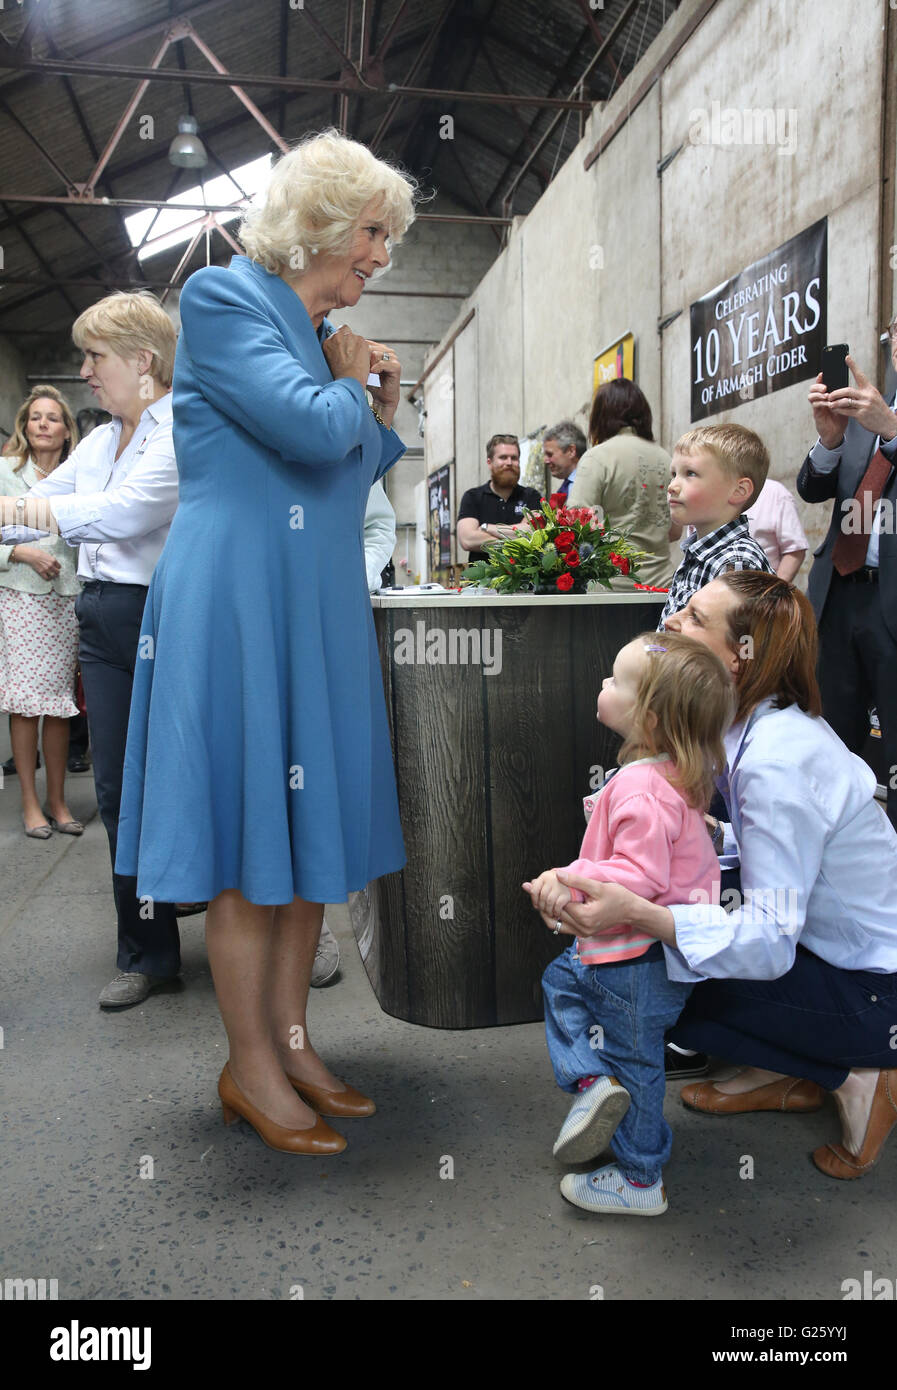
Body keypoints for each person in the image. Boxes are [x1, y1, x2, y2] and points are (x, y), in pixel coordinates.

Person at [114, 129, 417, 1156]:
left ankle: (290, 1044)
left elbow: (350, 461)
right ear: (321, 222)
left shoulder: (319, 331)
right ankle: (247, 1066)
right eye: (373, 231)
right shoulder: (225, 298)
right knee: (252, 851)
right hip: (239, 598)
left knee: (308, 844)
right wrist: (343, 384)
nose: (381, 255)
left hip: (313, 598)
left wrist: (372, 402)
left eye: (389, 236)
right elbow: (302, 430)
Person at [543, 571, 897, 1182]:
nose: (672, 620)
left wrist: (636, 911)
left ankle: (857, 1074)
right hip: (832, 958)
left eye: (694, 619)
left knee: (640, 982)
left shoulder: (776, 763)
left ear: (740, 659)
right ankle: (792, 1072)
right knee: (658, 960)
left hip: (871, 993)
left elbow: (768, 936)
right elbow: (753, 857)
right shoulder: (745, 728)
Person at [0, 292, 181, 1008]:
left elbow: (121, 513)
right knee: (114, 788)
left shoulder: (177, 432)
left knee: (169, 782)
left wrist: (17, 511)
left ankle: (210, 916)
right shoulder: (101, 440)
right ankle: (146, 951)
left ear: (142, 361)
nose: (84, 372)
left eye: (94, 357)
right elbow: (40, 505)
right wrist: (12, 514)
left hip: (160, 617)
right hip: (101, 617)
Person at [523, 632, 733, 1215]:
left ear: (652, 716)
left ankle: (641, 1179)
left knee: (636, 1061)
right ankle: (595, 1087)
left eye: (616, 681)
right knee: (560, 985)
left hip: (635, 959)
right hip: (648, 956)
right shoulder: (675, 774)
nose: (602, 687)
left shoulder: (641, 785)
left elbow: (638, 873)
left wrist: (568, 877)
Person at [797, 327, 897, 832]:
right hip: (839, 598)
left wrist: (894, 430)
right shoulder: (864, 407)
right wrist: (831, 439)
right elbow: (813, 488)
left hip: (891, 602)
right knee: (829, 742)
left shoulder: (882, 415)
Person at [313, 478, 399, 989]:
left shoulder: (347, 442)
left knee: (324, 774)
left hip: (333, 622)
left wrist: (355, 578)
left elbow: (378, 526)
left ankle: (316, 920)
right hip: (256, 615)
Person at [0, 386, 82, 837]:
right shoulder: (5, 474)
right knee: (27, 704)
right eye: (36, 418)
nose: (44, 424)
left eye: (53, 417)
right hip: (20, 598)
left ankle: (58, 800)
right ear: (25, 427)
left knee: (61, 705)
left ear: (67, 430)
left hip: (68, 600)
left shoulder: (81, 476)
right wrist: (22, 554)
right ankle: (30, 804)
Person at [659, 422, 773, 626]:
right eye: (674, 474)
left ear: (739, 491)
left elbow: (729, 647)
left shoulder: (736, 562)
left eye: (690, 474)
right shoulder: (697, 554)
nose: (672, 486)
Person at [570, 380, 679, 587]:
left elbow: (576, 525)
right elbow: (675, 531)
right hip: (662, 584)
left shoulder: (597, 457)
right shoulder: (665, 458)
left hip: (611, 586)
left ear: (600, 415)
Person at [456, 435, 542, 564]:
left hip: (523, 579)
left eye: (514, 458)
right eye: (503, 457)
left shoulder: (531, 496)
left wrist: (487, 528)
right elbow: (468, 540)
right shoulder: (472, 497)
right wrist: (518, 539)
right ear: (489, 462)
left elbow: (532, 533)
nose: (509, 463)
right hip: (483, 580)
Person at [744, 477, 808, 581]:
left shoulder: (773, 492)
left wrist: (774, 592)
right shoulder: (713, 489)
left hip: (759, 587)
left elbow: (794, 550)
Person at [542, 420, 586, 499]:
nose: (545, 460)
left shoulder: (590, 483)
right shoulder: (562, 490)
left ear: (571, 451)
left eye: (550, 454)